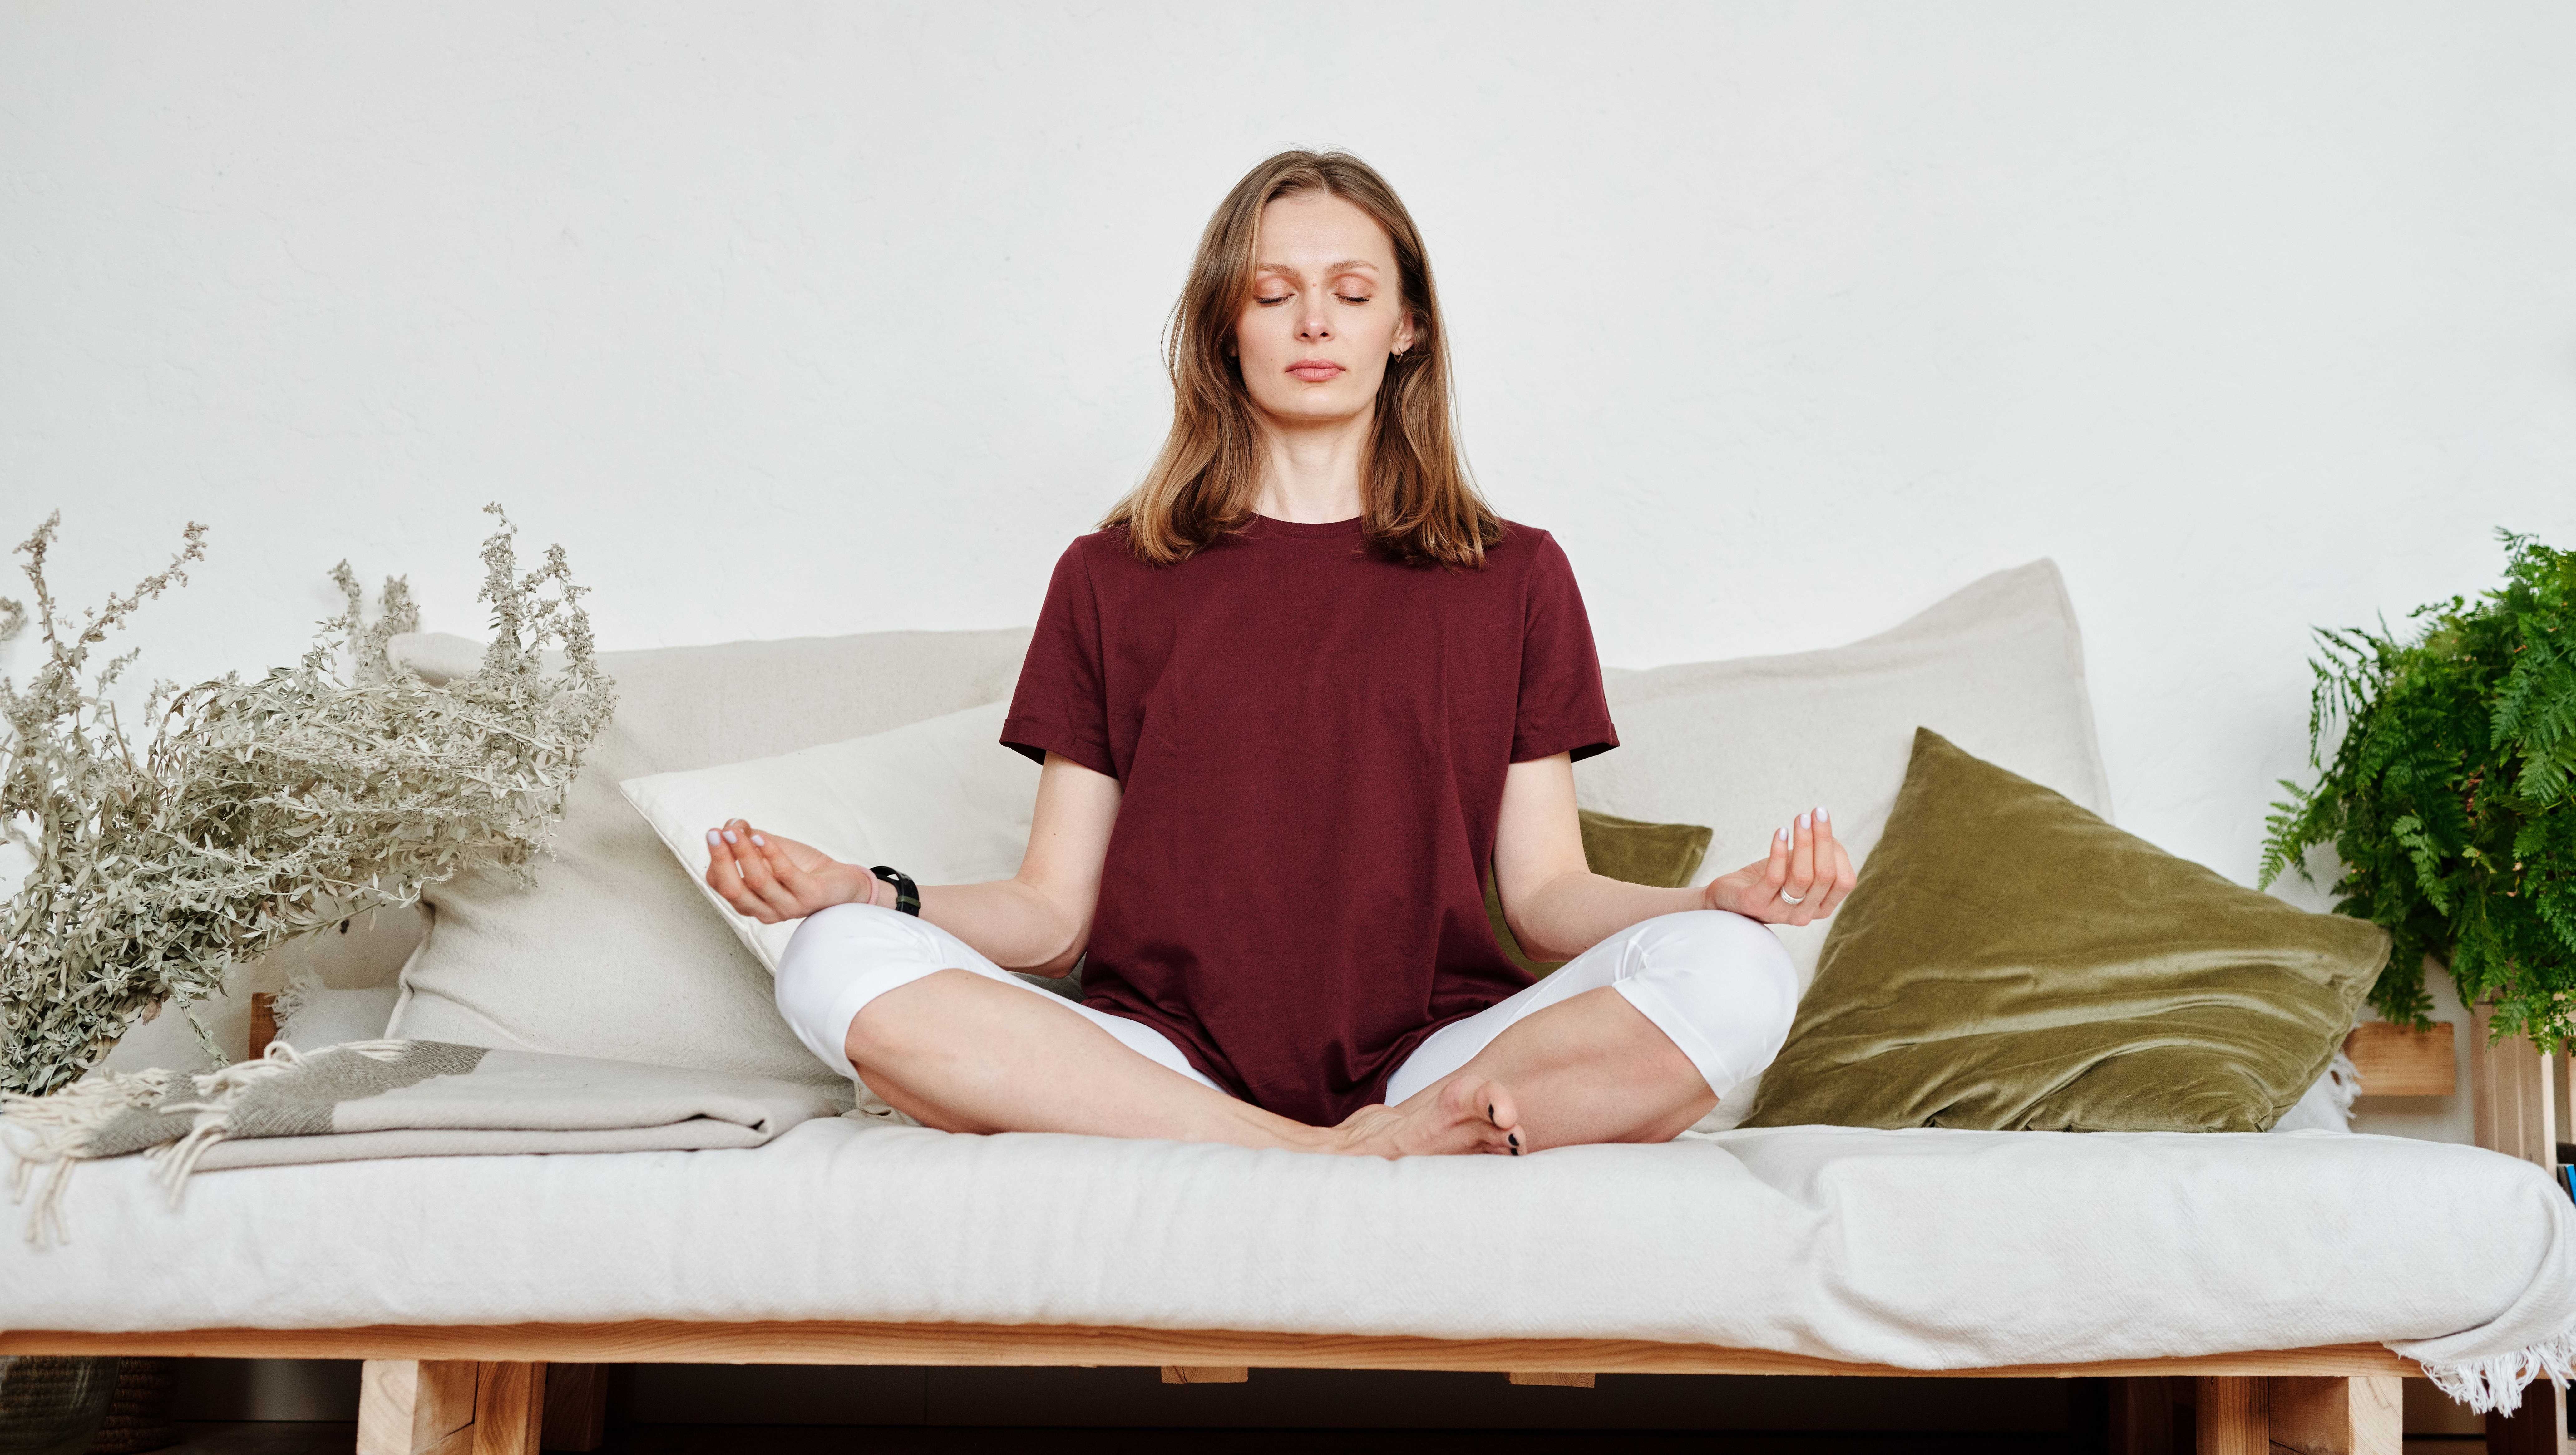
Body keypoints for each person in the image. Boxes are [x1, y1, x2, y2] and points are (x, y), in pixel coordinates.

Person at [701, 149, 1855, 1159]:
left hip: (1433, 1054)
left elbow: (1547, 900)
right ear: (1225, 328)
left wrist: (1718, 902)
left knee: (1737, 973)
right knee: (831, 958)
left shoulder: (1513, 576)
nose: (1313, 323)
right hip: (1161, 1061)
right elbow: (1052, 917)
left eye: (1351, 294)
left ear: (1405, 330)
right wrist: (866, 891)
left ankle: (1367, 1132)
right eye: (1273, 293)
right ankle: (1323, 1154)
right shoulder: (1110, 576)